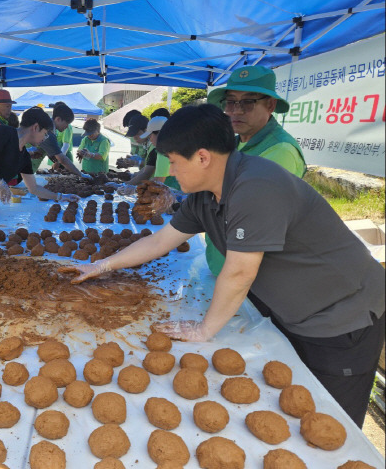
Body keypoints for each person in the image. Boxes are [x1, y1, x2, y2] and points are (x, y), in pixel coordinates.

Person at [60, 104, 385, 428]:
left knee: (329, 422)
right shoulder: (203, 193)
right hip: (294, 311)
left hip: (342, 316)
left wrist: (204, 329)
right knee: (293, 409)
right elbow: (160, 242)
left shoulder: (257, 185)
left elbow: (241, 270)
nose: (170, 171)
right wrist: (100, 266)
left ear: (202, 158)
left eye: (174, 162)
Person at [204, 65, 306, 276]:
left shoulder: (280, 150)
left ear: (270, 105)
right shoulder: (233, 143)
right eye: (231, 102)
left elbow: (246, 213)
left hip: (251, 274)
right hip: (223, 261)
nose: (236, 111)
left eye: (248, 102)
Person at [0, 106, 80, 204]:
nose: (45, 138)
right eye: (45, 133)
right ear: (35, 127)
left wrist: (61, 197)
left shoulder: (24, 156)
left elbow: (34, 188)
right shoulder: (3, 132)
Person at [115, 115, 163, 195]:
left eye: (137, 133)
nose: (135, 137)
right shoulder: (150, 146)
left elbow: (147, 174)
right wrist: (133, 175)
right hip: (156, 190)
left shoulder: (155, 148)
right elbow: (146, 169)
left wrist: (127, 186)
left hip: (163, 192)